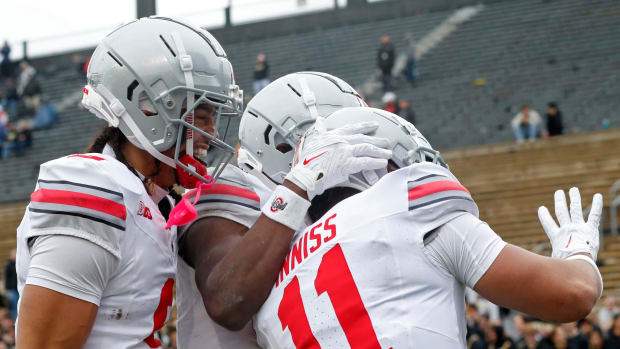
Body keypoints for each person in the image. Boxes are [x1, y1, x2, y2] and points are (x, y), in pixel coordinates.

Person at [251, 107, 603, 347]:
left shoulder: (274, 281)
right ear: (380, 165)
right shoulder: (407, 204)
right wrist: (578, 251)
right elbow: (572, 295)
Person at [15, 16, 243, 348]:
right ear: (149, 109)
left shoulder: (157, 200)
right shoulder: (94, 188)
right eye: (203, 115)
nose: (211, 133)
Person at [175, 71, 377, 349]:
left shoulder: (338, 208)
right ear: (282, 145)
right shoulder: (234, 186)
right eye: (333, 144)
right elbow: (228, 301)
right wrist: (302, 183)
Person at [4, 249, 18, 320]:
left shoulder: (18, 264)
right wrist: (7, 289)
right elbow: (6, 278)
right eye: (14, 254)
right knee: (13, 306)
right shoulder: (9, 264)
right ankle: (13, 320)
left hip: (17, 289)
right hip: (12, 290)